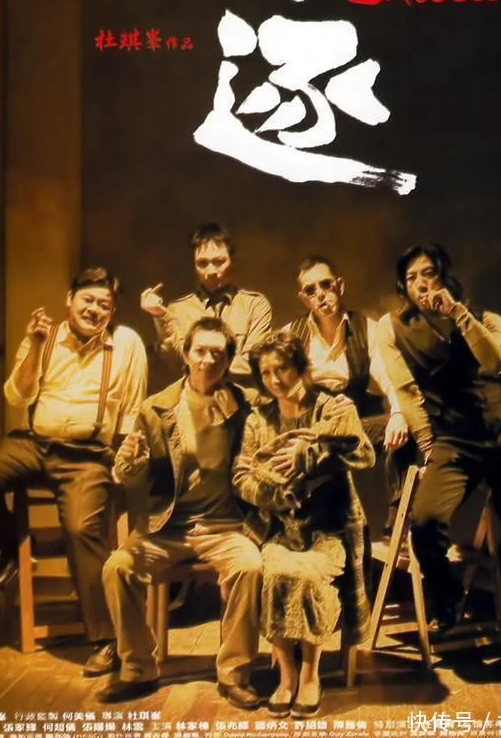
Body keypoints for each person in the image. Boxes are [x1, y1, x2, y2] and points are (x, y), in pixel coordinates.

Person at [373, 243, 501, 696]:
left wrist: (458, 313)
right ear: (403, 287)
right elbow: (406, 392)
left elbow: (497, 361)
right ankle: (446, 598)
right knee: (425, 521)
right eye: (411, 278)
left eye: (428, 273)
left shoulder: (485, 318)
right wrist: (428, 447)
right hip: (454, 440)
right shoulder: (392, 328)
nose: (422, 284)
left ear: (444, 274)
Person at [0, 267, 147, 677]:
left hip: (86, 455)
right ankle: (9, 548)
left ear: (113, 310)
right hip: (34, 444)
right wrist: (35, 347)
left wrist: (124, 459)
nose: (94, 310)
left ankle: (106, 640)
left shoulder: (127, 343)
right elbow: (16, 395)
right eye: (87, 301)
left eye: (104, 305)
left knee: (80, 529)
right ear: (69, 300)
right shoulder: (44, 336)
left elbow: (133, 408)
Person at [100, 316, 263, 708]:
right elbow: (134, 477)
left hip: (224, 526)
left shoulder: (246, 405)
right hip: (167, 525)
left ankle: (235, 674)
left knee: (250, 566)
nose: (208, 360)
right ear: (186, 354)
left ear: (229, 361)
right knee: (117, 568)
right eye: (200, 351)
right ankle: (138, 668)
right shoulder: (157, 408)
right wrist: (130, 463)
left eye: (218, 353)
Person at [231, 331, 375, 719]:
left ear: (299, 367)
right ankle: (287, 675)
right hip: (279, 529)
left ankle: (311, 674)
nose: (275, 379)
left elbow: (364, 455)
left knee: (309, 576)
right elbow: (241, 477)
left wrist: (312, 450)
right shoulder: (259, 419)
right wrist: (281, 495)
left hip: (330, 529)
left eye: (282, 368)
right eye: (266, 372)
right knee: (276, 573)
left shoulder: (332, 408)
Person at [287, 256, 433, 534]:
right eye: (311, 290)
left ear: (339, 286)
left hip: (352, 428)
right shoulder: (291, 336)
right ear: (304, 298)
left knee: (403, 422)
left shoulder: (369, 330)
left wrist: (399, 414)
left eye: (326, 285)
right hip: (309, 430)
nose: (320, 294)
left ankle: (398, 526)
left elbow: (390, 377)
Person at [140, 222, 272, 384]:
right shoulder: (177, 310)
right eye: (202, 263)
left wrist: (199, 361)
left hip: (242, 395)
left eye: (219, 262)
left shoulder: (255, 305)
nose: (210, 271)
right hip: (193, 397)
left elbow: (253, 364)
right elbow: (173, 363)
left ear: (232, 260)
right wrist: (160, 316)